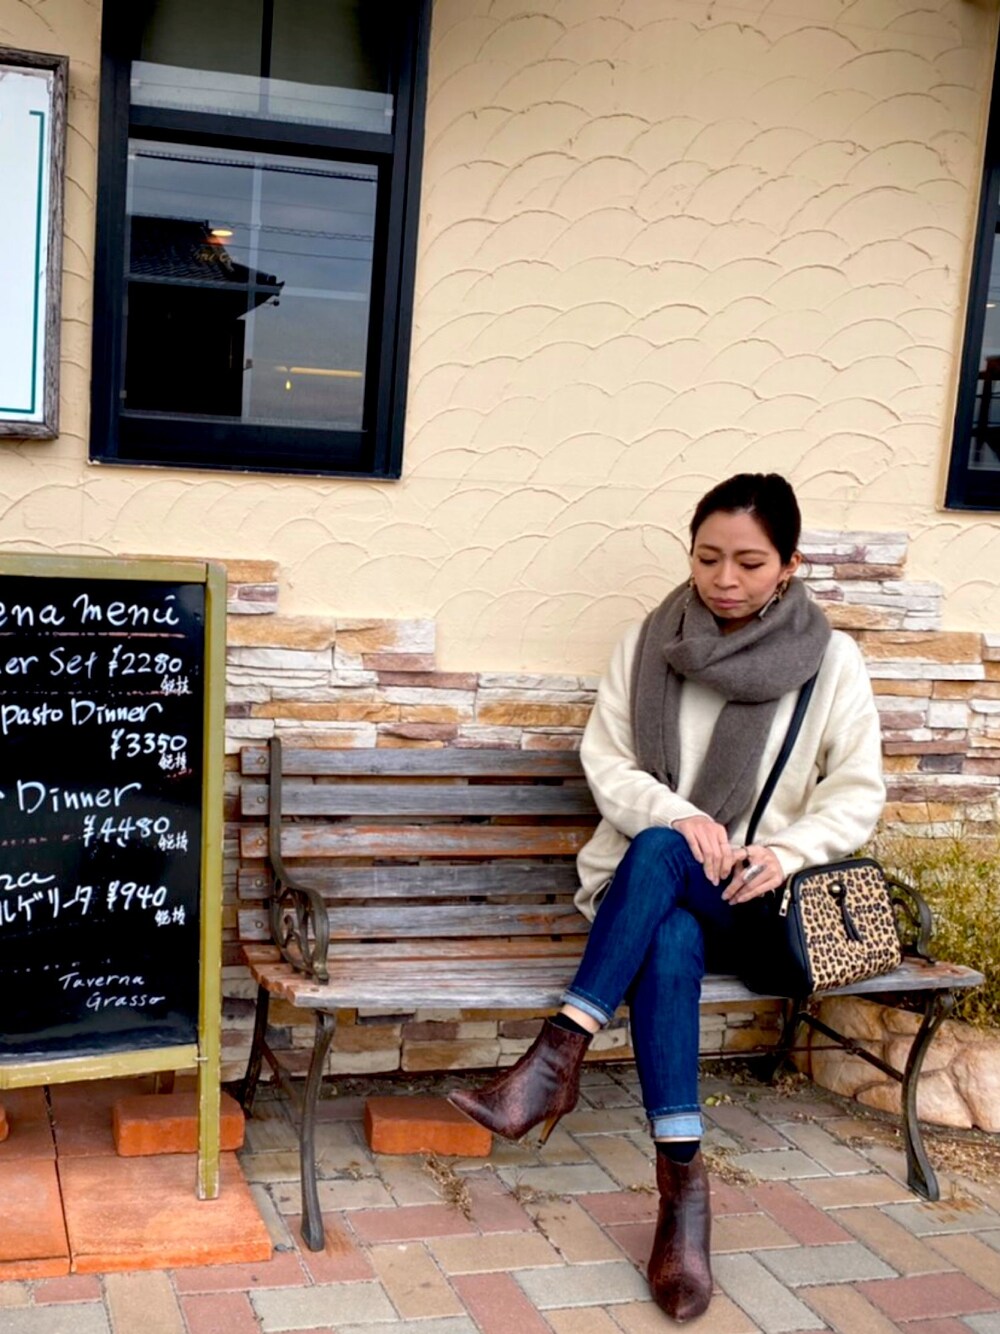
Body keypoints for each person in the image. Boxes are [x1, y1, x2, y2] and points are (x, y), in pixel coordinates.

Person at [448, 473, 886, 1321]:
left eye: (749, 563)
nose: (725, 579)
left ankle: (554, 1062)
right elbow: (609, 761)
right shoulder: (650, 643)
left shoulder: (830, 662)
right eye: (707, 557)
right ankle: (682, 1200)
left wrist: (787, 851)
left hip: (757, 905)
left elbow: (857, 790)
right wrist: (682, 817)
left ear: (790, 565)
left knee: (662, 854)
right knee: (669, 916)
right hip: (650, 899)